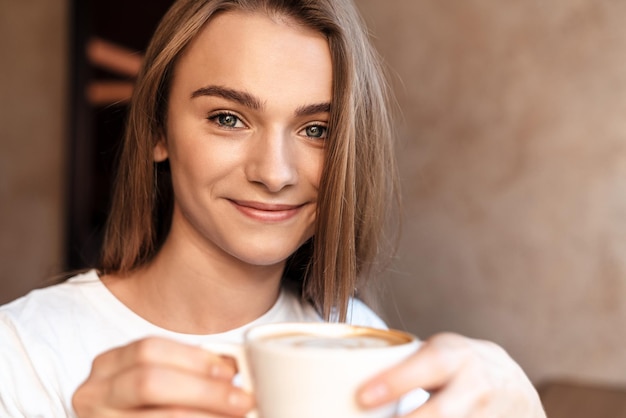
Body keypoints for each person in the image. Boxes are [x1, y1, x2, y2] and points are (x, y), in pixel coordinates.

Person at [0, 0, 546, 416]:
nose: (275, 173)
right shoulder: (23, 351)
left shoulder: (362, 342)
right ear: (156, 132)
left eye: (316, 130)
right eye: (228, 118)